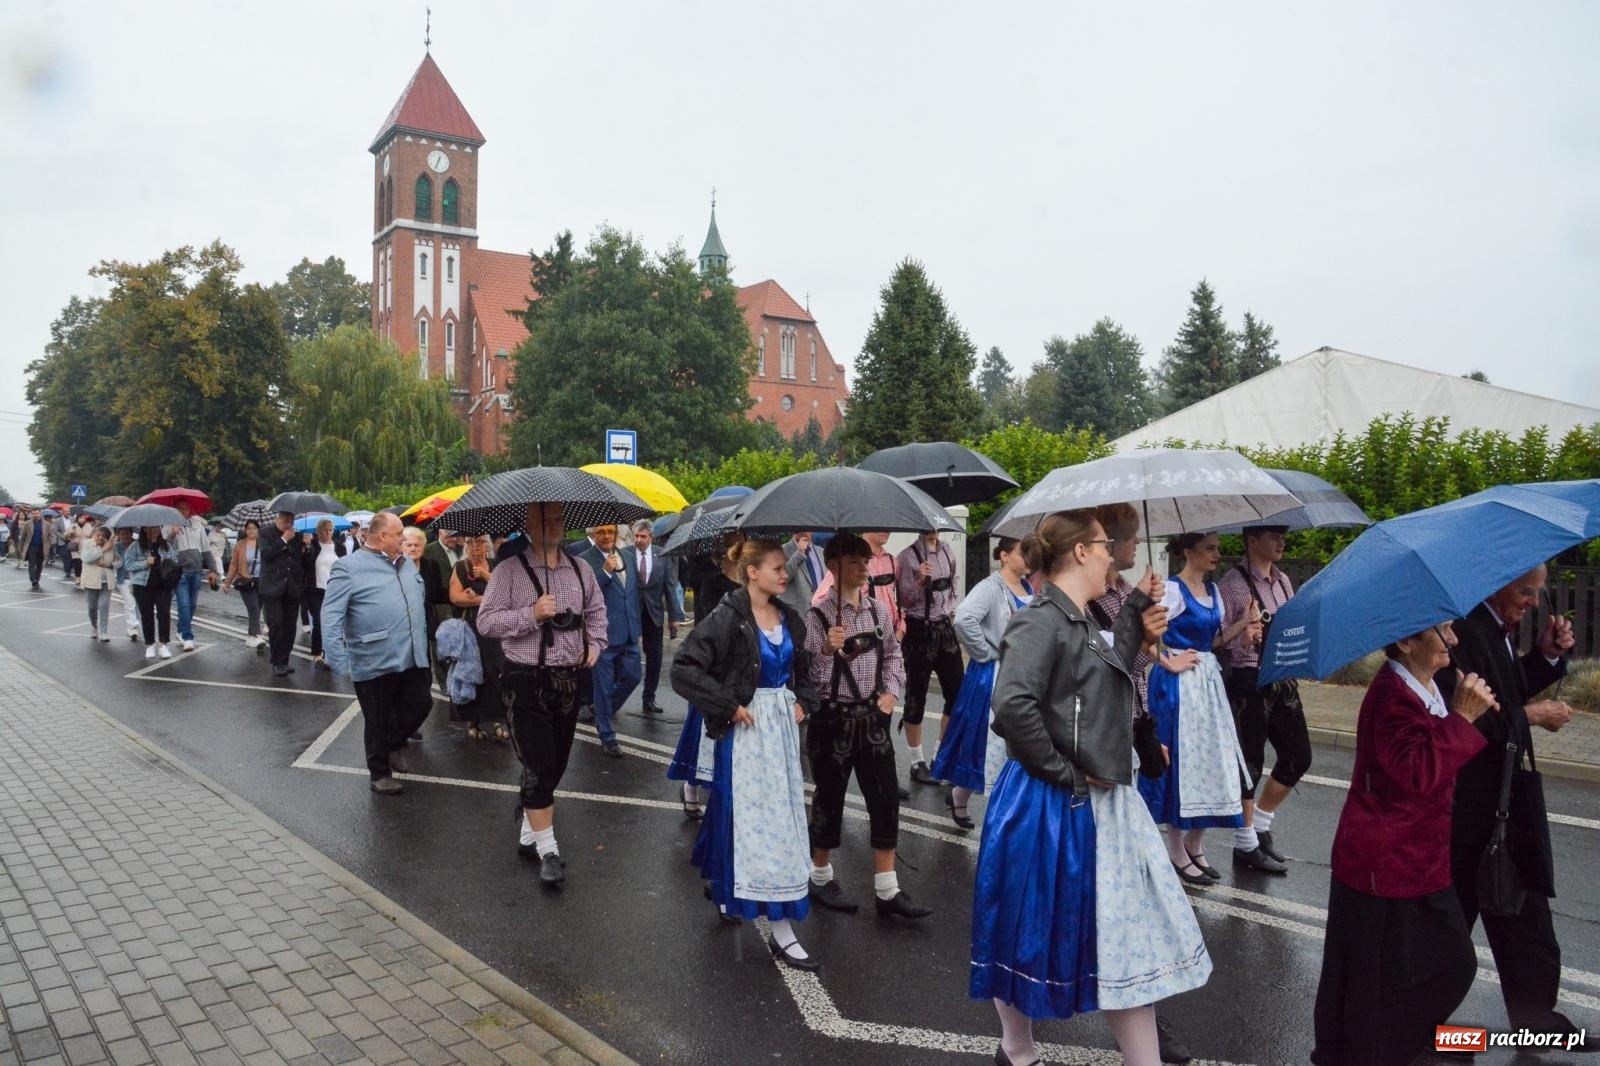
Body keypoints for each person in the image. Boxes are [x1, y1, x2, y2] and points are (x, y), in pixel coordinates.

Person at [974, 510, 1208, 1066]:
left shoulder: (1076, 617)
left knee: (1124, 935)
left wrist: (1136, 623)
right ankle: (1018, 1049)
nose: (1112, 555)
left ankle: (1125, 1059)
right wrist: (1068, 774)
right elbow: (1011, 708)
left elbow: (1091, 684)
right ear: (1081, 552)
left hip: (1098, 802)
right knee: (1026, 926)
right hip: (1051, 802)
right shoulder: (1040, 620)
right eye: (1105, 546)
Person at [1311, 623, 1496, 1066]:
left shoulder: (1430, 684)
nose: (1452, 637)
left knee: (1449, 963)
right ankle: (1371, 1052)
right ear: (1406, 641)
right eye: (1441, 629)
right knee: (1373, 978)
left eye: (1450, 627)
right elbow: (1417, 774)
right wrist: (1462, 719)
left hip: (1420, 858)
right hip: (1383, 862)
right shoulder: (1391, 696)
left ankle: (1404, 1042)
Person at [1440, 565, 1587, 1045]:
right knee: (1451, 927)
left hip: (1506, 801)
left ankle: (1536, 1019)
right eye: (1526, 592)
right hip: (1473, 806)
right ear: (1499, 582)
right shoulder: (1462, 632)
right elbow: (1474, 722)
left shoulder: (1495, 630)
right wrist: (1533, 716)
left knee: (1526, 919)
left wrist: (1544, 657)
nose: (1531, 602)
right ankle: (1418, 1030)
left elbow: (1506, 690)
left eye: (1537, 594)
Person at [671, 539, 820, 968]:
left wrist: (804, 700)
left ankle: (723, 886)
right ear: (752, 571)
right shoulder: (727, 618)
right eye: (776, 567)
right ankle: (782, 930)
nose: (784, 574)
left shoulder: (789, 617)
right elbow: (683, 668)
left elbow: (805, 672)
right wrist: (728, 705)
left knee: (778, 819)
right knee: (754, 822)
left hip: (780, 733)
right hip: (746, 735)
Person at [478, 502, 607, 885]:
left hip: (569, 680)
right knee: (538, 763)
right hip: (525, 679)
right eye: (544, 520)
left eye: (558, 519)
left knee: (556, 763)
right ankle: (548, 850)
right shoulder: (508, 572)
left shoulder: (582, 570)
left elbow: (597, 613)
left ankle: (527, 831)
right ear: (528, 526)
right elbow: (486, 622)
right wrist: (530, 615)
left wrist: (595, 645)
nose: (553, 526)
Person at [804, 533, 930, 921]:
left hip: (872, 719)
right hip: (831, 721)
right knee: (830, 800)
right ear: (833, 566)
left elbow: (894, 656)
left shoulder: (878, 612)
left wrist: (891, 694)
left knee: (885, 798)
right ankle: (820, 876)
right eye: (855, 562)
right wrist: (827, 649)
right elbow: (808, 679)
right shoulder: (818, 617)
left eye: (865, 561)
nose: (864, 568)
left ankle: (887, 889)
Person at [1137, 532, 1261, 884]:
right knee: (1181, 762)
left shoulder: (1216, 593)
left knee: (1210, 761)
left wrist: (1244, 623)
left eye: (1218, 549)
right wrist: (1166, 662)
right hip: (1177, 686)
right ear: (1188, 552)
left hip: (1207, 683)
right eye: (1210, 548)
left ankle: (1195, 843)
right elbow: (1143, 637)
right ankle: (1177, 850)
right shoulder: (1173, 591)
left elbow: (1214, 641)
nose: (1217, 555)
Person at [320, 513, 432, 794]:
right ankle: (379, 773)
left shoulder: (406, 565)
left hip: (413, 653)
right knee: (378, 718)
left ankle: (394, 744)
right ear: (382, 537)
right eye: (398, 535)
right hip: (373, 656)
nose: (403, 540)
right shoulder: (348, 567)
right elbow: (331, 616)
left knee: (421, 703)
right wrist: (338, 660)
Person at [1218, 525, 1309, 872]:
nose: (1281, 541)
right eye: (1273, 536)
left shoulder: (1284, 581)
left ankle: (1261, 826)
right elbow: (1218, 639)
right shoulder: (1233, 585)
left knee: (1298, 756)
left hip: (1280, 677)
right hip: (1248, 681)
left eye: (1283, 535)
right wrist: (1243, 637)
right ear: (1252, 540)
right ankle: (1245, 844)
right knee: (1250, 766)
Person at [931, 536, 1032, 830]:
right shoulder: (989, 587)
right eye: (1022, 551)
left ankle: (962, 798)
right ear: (1003, 555)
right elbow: (963, 619)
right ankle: (996, 817)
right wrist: (986, 652)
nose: (1028, 556)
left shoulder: (1028, 588)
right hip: (993, 677)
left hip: (1019, 675)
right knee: (989, 745)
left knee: (1011, 745)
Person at [667, 537, 746, 819]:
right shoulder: (713, 585)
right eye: (732, 551)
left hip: (739, 671)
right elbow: (710, 625)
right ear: (722, 556)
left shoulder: (750, 586)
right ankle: (691, 786)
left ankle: (721, 794)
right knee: (702, 735)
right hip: (712, 669)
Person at [896, 529, 964, 789]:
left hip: (944, 628)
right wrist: (920, 582)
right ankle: (916, 762)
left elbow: (955, 583)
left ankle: (939, 756)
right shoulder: (907, 557)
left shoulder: (947, 550)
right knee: (916, 696)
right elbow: (904, 598)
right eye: (928, 524)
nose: (934, 530)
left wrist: (950, 609)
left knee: (957, 694)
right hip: (918, 630)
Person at [578, 524, 641, 758]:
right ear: (594, 534)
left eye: (610, 532)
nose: (606, 536)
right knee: (602, 687)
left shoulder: (627, 556)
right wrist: (604, 572)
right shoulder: (585, 560)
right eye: (602, 532)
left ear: (617, 535)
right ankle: (607, 736)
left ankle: (601, 708)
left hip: (629, 631)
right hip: (602, 634)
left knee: (633, 677)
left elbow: (632, 593)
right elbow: (583, 594)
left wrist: (637, 626)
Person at [449, 533, 509, 741]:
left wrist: (485, 577)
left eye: (479, 543)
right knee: (472, 672)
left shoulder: (496, 565)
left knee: (495, 671)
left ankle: (497, 719)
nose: (474, 547)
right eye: (469, 543)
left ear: (487, 546)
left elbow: (507, 594)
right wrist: (477, 601)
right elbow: (455, 597)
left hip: (494, 628)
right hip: (471, 628)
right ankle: (473, 720)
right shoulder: (460, 568)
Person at [625, 519, 683, 716]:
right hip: (630, 612)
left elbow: (670, 587)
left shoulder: (662, 555)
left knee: (655, 658)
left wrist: (674, 617)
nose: (639, 540)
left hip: (654, 614)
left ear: (651, 537)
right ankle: (616, 694)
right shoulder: (625, 554)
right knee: (624, 655)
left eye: (643, 537)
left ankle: (649, 697)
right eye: (637, 536)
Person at [258, 510, 308, 677]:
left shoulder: (298, 536)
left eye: (291, 521)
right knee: (276, 624)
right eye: (285, 521)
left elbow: (303, 561)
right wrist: (284, 539)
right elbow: (266, 555)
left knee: (290, 626)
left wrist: (307, 546)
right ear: (277, 519)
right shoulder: (265, 533)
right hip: (273, 586)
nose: (288, 525)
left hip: (292, 587)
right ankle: (277, 661)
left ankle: (284, 660)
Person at [168, 500, 221, 652]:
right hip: (180, 571)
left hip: (196, 571)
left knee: (191, 605)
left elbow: (205, 549)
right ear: (175, 510)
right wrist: (173, 533)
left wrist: (212, 569)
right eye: (180, 508)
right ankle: (188, 637)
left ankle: (180, 630)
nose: (184, 511)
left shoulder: (197, 524)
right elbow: (165, 545)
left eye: (186, 508)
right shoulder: (169, 524)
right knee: (183, 605)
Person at [126, 526, 178, 659]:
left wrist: (168, 564)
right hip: (142, 585)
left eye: (157, 527)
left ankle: (164, 645)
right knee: (147, 615)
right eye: (152, 527)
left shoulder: (165, 545)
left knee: (164, 614)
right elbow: (128, 565)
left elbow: (174, 560)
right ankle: (150, 645)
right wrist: (145, 563)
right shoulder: (136, 546)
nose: (155, 529)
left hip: (163, 585)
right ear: (145, 529)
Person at [306, 518, 347, 671]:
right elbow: (306, 564)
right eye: (324, 530)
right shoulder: (313, 546)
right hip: (315, 590)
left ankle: (330, 655)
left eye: (330, 530)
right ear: (318, 531)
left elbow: (344, 566)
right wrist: (306, 547)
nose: (328, 533)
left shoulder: (340, 547)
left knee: (333, 623)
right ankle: (317, 654)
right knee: (318, 620)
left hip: (334, 591)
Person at [224, 519, 266, 649]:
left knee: (257, 609)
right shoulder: (240, 545)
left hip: (262, 581)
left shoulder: (264, 543)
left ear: (258, 529)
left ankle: (250, 636)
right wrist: (227, 582)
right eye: (249, 528)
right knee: (253, 608)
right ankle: (257, 635)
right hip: (246, 580)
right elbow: (234, 564)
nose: (251, 531)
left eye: (254, 528)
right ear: (245, 530)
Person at [79, 525, 117, 641]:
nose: (100, 538)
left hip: (107, 581)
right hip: (91, 580)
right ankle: (94, 626)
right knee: (92, 607)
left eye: (103, 536)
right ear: (93, 534)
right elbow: (87, 558)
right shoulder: (87, 544)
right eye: (97, 535)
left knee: (104, 606)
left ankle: (104, 632)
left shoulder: (111, 546)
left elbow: (119, 561)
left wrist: (110, 565)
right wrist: (103, 549)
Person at [781, 531, 825, 615]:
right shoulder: (783, 550)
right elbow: (783, 577)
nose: (802, 531)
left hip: (820, 610)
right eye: (799, 528)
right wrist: (799, 553)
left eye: (806, 528)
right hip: (796, 612)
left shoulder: (821, 551)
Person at [113, 526, 141, 640]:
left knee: (137, 604)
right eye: (122, 534)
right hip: (123, 578)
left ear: (131, 534)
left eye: (126, 534)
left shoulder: (137, 545)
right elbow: (114, 563)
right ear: (119, 535)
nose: (124, 536)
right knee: (130, 603)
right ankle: (132, 628)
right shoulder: (116, 547)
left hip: (137, 578)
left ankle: (133, 625)